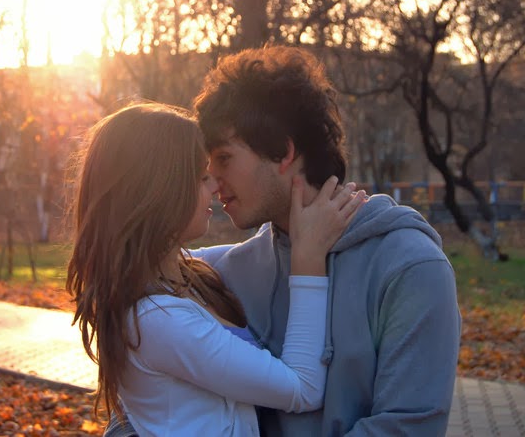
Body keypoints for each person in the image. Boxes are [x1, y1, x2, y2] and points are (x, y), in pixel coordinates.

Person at [188, 46, 462, 435]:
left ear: (284, 152)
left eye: (224, 158)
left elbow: (407, 426)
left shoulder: (410, 267)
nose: (213, 182)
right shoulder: (226, 273)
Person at [66, 102, 365, 436]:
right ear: (160, 190)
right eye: (200, 177)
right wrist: (308, 258)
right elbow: (303, 389)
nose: (214, 187)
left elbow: (259, 252)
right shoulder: (159, 321)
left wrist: (294, 221)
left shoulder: (184, 271)